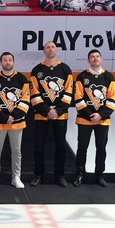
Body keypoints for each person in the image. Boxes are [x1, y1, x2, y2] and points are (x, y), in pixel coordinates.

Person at [30, 41, 75, 187]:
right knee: (38, 146)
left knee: (60, 146)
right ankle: (38, 175)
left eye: (53, 47)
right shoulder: (37, 70)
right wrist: (47, 111)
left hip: (60, 115)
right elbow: (34, 94)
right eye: (47, 47)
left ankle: (59, 175)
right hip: (41, 115)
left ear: (57, 50)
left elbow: (68, 93)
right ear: (44, 51)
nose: (50, 49)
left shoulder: (65, 69)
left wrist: (57, 111)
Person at [0, 51, 31, 189]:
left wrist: (14, 116)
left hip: (17, 123)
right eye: (5, 60)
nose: (7, 62)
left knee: (16, 151)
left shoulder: (22, 79)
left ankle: (16, 177)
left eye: (10, 60)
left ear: (13, 62)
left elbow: (26, 100)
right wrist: (4, 117)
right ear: (0, 63)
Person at [74, 49, 115, 187]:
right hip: (84, 120)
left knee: (101, 149)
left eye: (97, 56)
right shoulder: (81, 76)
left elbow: (112, 99)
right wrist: (90, 115)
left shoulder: (109, 77)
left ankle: (100, 175)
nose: (95, 59)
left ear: (101, 59)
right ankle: (80, 174)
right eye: (92, 57)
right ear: (88, 60)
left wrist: (101, 115)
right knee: (82, 148)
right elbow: (78, 99)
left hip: (102, 121)